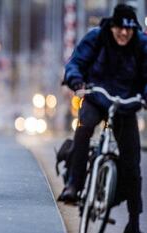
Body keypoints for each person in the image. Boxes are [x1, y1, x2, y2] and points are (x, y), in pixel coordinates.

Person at [60, 4, 147, 233]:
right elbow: (76, 63)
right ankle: (74, 185)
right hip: (96, 97)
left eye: (129, 29)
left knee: (132, 163)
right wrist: (77, 82)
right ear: (112, 26)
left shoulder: (142, 43)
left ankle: (134, 221)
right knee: (83, 127)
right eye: (120, 28)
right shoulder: (96, 37)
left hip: (125, 105)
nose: (124, 33)